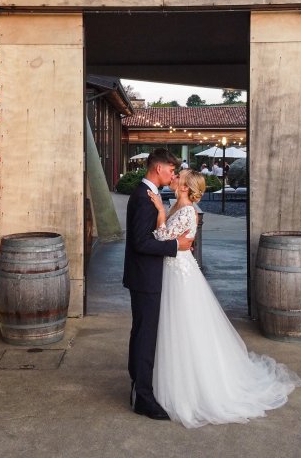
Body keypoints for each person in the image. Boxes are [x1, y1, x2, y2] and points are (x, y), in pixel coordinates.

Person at [147, 170, 301, 428]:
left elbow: (162, 238)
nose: (174, 179)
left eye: (179, 178)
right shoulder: (180, 205)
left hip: (179, 273)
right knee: (179, 326)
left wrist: (160, 215)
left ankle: (191, 385)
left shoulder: (186, 210)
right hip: (176, 268)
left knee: (184, 326)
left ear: (186, 187)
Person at [123, 148, 195, 420]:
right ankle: (142, 397)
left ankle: (137, 387)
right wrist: (176, 245)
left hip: (146, 275)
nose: (173, 174)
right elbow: (141, 243)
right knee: (145, 336)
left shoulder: (148, 195)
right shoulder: (143, 198)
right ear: (158, 168)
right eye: (171, 169)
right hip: (145, 277)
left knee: (142, 333)